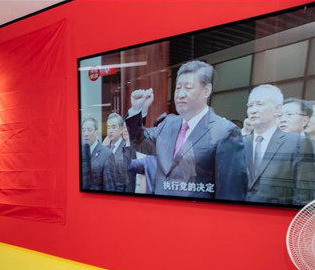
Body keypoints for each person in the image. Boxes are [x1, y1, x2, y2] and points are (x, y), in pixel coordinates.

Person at [126, 60, 247, 201]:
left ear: (206, 91)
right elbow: (140, 143)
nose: (180, 94)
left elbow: (230, 192)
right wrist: (136, 110)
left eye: (188, 88)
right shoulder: (169, 123)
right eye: (178, 88)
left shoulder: (225, 132)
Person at [244, 85, 314, 205]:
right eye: (250, 106)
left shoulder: (298, 143)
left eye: (260, 104)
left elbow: (304, 195)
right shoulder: (241, 143)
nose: (253, 110)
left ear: (277, 109)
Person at [80, 116, 116, 191]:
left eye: (89, 130)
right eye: (83, 130)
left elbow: (109, 186)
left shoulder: (106, 154)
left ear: (96, 132)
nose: (86, 134)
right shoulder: (79, 152)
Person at [104, 113, 136, 192]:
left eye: (113, 127)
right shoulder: (105, 148)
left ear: (121, 129)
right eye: (108, 127)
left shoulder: (127, 149)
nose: (110, 131)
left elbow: (130, 180)